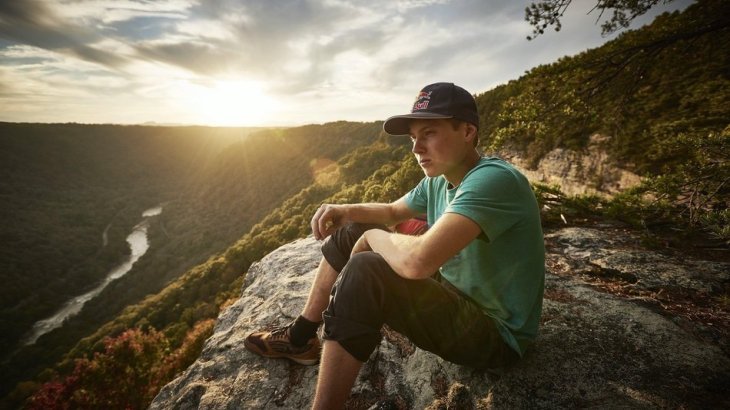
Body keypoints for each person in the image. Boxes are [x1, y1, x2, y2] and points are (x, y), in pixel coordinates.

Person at [244, 82, 545, 409]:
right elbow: (391, 211)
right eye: (414, 137)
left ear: (468, 131)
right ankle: (300, 339)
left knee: (366, 268)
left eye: (429, 133)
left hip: (495, 336)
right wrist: (346, 211)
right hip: (455, 295)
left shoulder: (493, 180)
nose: (416, 148)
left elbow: (418, 263)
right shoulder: (439, 180)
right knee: (352, 229)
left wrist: (373, 239)